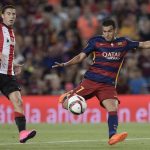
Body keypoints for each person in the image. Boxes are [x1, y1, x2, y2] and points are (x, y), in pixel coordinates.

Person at [52, 19, 150, 145]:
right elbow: (81, 57)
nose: (107, 34)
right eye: (104, 31)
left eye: (109, 31)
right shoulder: (96, 41)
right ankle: (68, 95)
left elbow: (144, 44)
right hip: (90, 81)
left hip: (107, 85)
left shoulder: (124, 42)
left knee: (113, 107)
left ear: (115, 30)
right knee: (65, 105)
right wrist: (66, 63)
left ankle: (112, 136)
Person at [0, 5, 36, 143]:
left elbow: (6, 53)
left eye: (14, 14)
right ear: (2, 15)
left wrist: (13, 64)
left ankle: (22, 133)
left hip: (8, 74)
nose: (12, 16)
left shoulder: (11, 32)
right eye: (8, 13)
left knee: (18, 101)